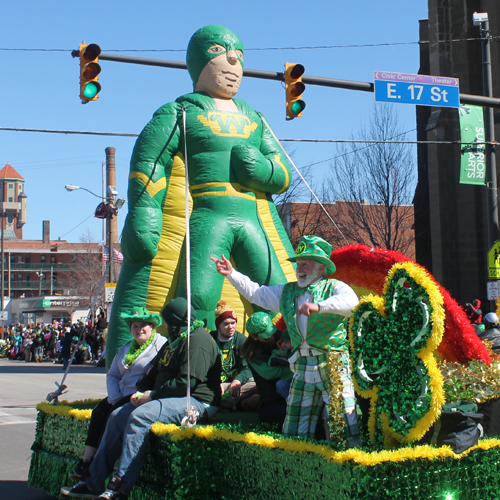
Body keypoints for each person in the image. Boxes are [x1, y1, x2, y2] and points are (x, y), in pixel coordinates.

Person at [61, 297, 221, 500]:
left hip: (196, 401)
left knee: (140, 416)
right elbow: (151, 374)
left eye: (166, 322)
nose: (164, 326)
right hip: (165, 397)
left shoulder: (197, 340)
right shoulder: (174, 341)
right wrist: (140, 393)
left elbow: (187, 383)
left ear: (174, 323)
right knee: (118, 414)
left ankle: (120, 487)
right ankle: (93, 482)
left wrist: (152, 396)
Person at [213, 234, 361, 446]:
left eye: (305, 264)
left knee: (343, 422)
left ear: (321, 267)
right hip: (302, 364)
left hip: (332, 362)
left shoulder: (335, 287)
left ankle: (347, 466)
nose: (299, 268)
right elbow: (257, 294)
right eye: (298, 263)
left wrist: (320, 307)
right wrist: (232, 274)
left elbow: (351, 302)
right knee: (295, 427)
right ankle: (300, 470)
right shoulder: (288, 291)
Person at [69, 307, 167, 482]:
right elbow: (113, 374)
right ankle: (86, 460)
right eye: (135, 326)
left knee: (112, 417)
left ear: (152, 327)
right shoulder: (126, 348)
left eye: (143, 325)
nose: (139, 329)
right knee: (99, 411)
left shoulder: (160, 346)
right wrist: (113, 397)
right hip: (119, 395)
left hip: (139, 396)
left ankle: (96, 469)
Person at [241, 313, 292, 426]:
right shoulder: (251, 353)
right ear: (254, 336)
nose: (272, 337)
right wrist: (294, 367)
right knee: (278, 414)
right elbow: (269, 373)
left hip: (292, 388)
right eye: (266, 336)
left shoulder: (282, 337)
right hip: (271, 399)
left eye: (271, 332)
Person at [210, 300, 255, 411]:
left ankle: (223, 403)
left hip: (236, 385)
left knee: (255, 383)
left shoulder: (241, 340)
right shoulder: (210, 339)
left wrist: (237, 381)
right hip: (218, 385)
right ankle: (234, 404)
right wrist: (216, 384)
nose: (230, 327)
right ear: (218, 325)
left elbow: (247, 368)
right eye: (226, 324)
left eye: (233, 323)